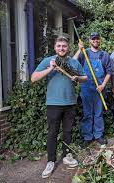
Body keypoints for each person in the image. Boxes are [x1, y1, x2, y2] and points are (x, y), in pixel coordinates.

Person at [31, 36, 88, 178]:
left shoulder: (73, 62)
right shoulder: (48, 61)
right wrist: (50, 69)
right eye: (59, 46)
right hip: (53, 103)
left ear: (68, 48)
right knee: (52, 133)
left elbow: (85, 78)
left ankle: (67, 156)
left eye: (64, 46)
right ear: (55, 47)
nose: (62, 48)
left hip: (70, 103)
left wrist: (78, 78)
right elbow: (33, 78)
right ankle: (51, 161)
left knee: (68, 131)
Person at [73, 32, 111, 146]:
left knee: (98, 113)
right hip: (86, 88)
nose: (95, 40)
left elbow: (109, 72)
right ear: (90, 41)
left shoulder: (104, 55)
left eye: (97, 39)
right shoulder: (84, 53)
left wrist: (103, 85)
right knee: (87, 113)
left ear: (100, 40)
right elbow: (73, 62)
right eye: (93, 39)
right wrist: (79, 49)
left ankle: (98, 135)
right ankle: (87, 137)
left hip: (99, 88)